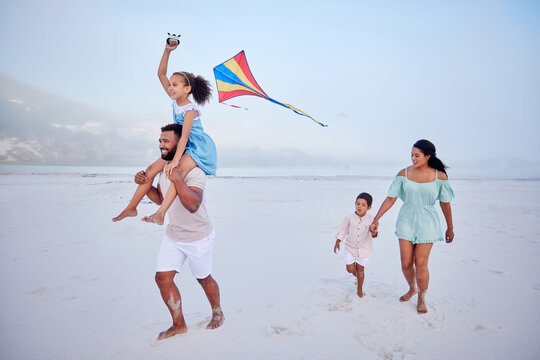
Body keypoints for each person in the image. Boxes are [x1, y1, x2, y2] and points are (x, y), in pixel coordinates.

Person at [112, 37, 217, 223]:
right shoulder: (175, 101)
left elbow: (185, 137)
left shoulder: (190, 111)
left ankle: (161, 213)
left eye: (175, 85)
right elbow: (161, 74)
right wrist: (168, 50)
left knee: (176, 173)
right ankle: (131, 208)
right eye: (170, 85)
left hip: (197, 147)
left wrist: (175, 161)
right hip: (182, 145)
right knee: (151, 170)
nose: (170, 87)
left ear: (187, 89)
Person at [136, 123, 224, 339]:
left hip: (198, 237)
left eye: (166, 141)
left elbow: (193, 205)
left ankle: (217, 312)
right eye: (160, 141)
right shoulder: (164, 170)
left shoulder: (195, 172)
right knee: (162, 279)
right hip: (174, 235)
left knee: (204, 278)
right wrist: (146, 185)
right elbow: (160, 199)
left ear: (180, 144)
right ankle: (179, 324)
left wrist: (178, 180)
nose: (161, 145)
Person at [370, 139, 454, 314]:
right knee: (406, 264)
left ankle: (422, 297)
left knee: (421, 263)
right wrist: (376, 219)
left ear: (427, 156)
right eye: (412, 155)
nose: (413, 158)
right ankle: (412, 288)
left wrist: (450, 227)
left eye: (417, 155)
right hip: (406, 220)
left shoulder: (440, 176)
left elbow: (445, 204)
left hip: (428, 222)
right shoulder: (403, 174)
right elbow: (391, 198)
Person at [334, 193, 378, 298]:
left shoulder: (372, 220)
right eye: (357, 204)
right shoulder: (349, 217)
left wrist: (373, 231)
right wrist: (338, 241)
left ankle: (359, 288)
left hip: (364, 250)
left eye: (363, 205)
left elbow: (374, 234)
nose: (359, 206)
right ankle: (357, 276)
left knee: (360, 270)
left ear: (369, 207)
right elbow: (343, 229)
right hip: (350, 248)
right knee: (349, 269)